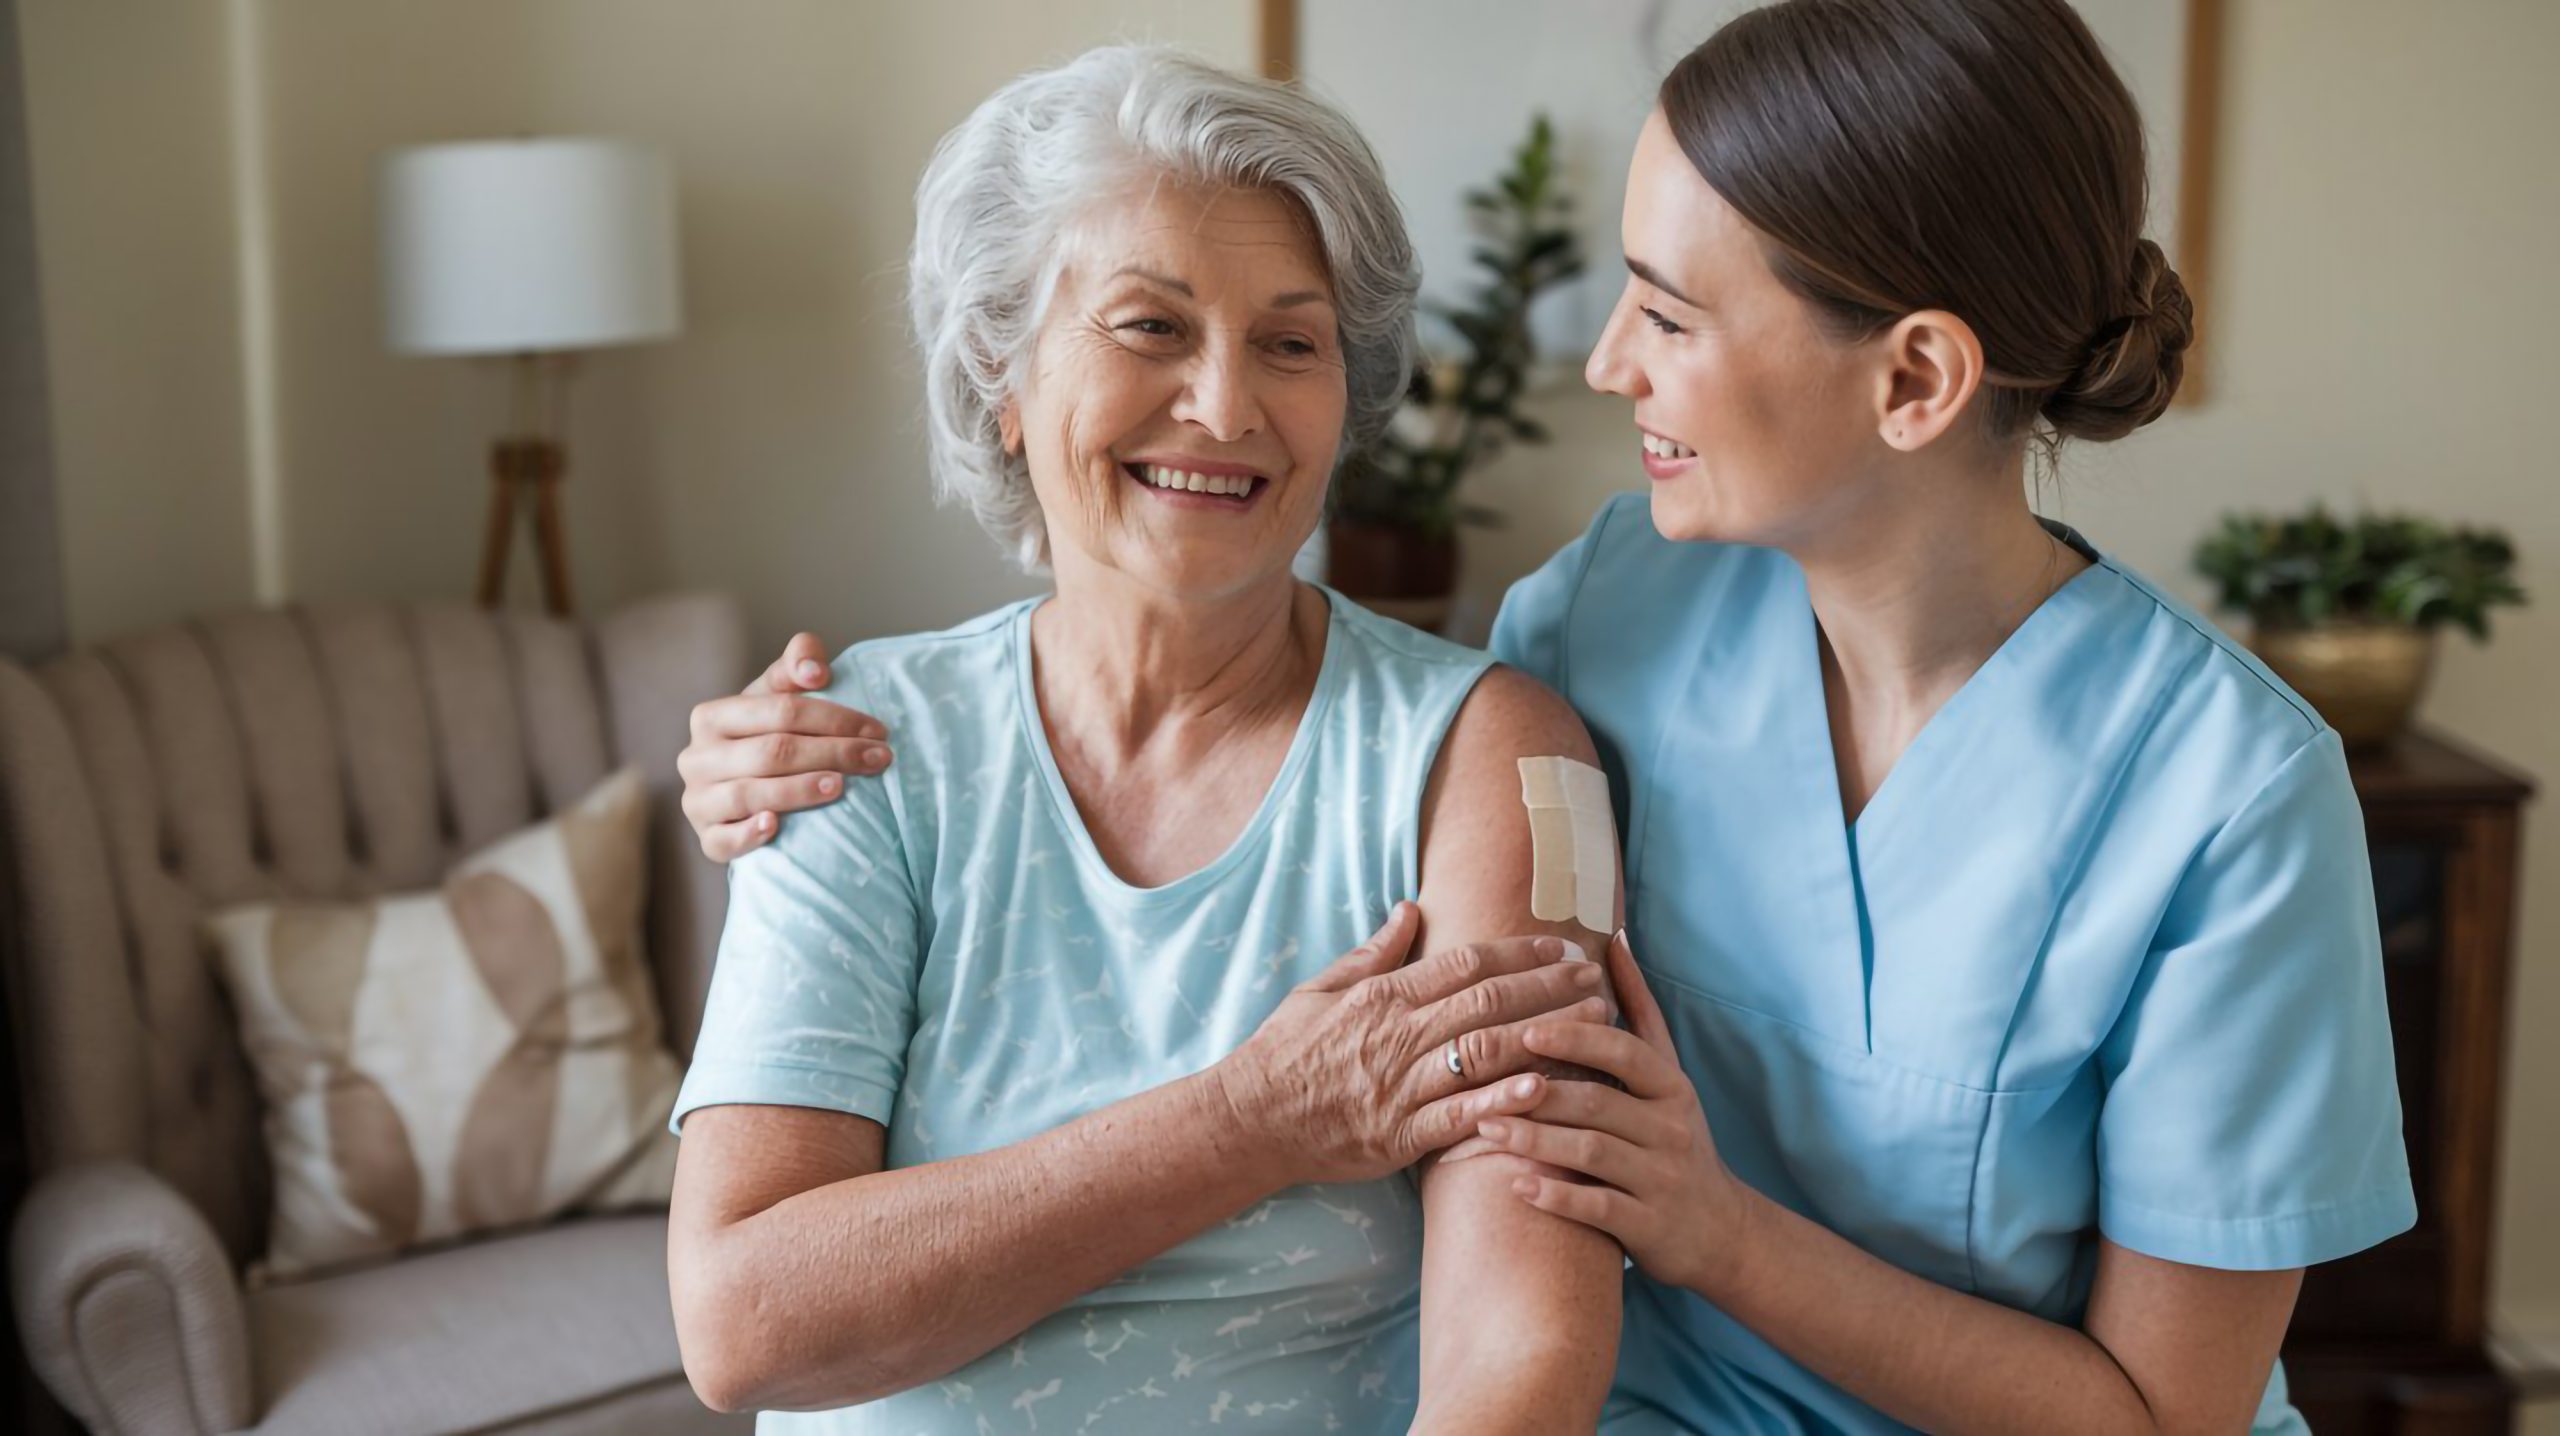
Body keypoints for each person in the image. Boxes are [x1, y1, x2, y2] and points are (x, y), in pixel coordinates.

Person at [685, 2, 2417, 1431]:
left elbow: (2157, 1419)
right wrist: (771, 770)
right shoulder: (1618, 613)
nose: (1608, 367)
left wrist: (1716, 1230)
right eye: (1148, 323)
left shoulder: (2233, 801)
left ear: (1914, 380)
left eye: (1666, 312)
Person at [661, 44, 1627, 1436]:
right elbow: (744, 1327)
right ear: (1002, 373)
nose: (1226, 407)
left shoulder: (1490, 755)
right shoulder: (848, 750)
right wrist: (1254, 1120)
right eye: (1150, 327)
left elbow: (1523, 1361)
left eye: (1291, 343)